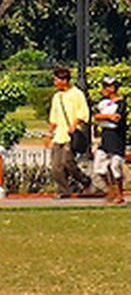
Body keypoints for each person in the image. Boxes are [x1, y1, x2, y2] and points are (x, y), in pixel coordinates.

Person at [47, 66, 91, 197]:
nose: (55, 83)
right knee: (56, 166)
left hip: (71, 135)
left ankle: (84, 180)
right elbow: (53, 117)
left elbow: (83, 113)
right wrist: (49, 133)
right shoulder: (57, 97)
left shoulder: (77, 94)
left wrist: (75, 124)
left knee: (68, 162)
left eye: (56, 80)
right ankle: (64, 190)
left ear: (64, 80)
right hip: (58, 135)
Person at [94, 75, 126, 203]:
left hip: (117, 139)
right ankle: (111, 189)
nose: (104, 89)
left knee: (115, 167)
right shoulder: (103, 103)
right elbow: (96, 116)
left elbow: (117, 118)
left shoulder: (121, 103)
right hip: (105, 138)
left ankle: (120, 193)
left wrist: (104, 116)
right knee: (99, 167)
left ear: (113, 88)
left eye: (106, 87)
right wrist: (107, 116)